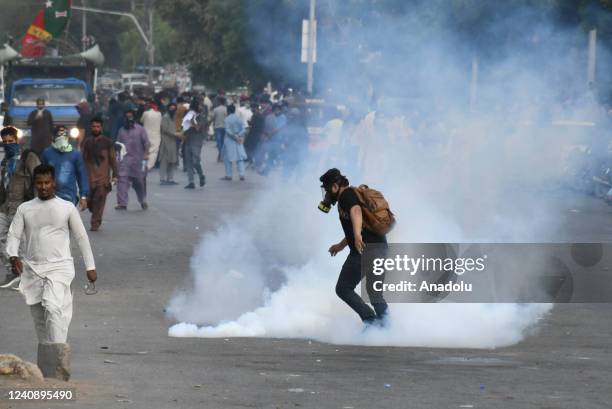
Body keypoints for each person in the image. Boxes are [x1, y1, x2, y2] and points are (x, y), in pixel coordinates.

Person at [7, 164, 96, 380]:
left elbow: (82, 237)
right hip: (32, 270)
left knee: (53, 309)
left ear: (54, 182)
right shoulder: (25, 209)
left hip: (60, 268)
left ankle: (58, 365)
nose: (44, 187)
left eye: (47, 182)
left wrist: (90, 266)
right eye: (40, 183)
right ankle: (49, 368)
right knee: (39, 317)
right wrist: (13, 256)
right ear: (35, 184)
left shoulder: (66, 207)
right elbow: (14, 235)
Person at [320, 168, 388, 326]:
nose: (328, 193)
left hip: (364, 250)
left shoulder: (346, 195)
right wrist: (341, 245)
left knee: (343, 288)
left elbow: (356, 212)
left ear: (336, 186)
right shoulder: (352, 194)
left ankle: (370, 320)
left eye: (328, 188)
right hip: (380, 247)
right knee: (374, 292)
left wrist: (357, 236)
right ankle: (387, 326)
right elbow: (357, 225)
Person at [0, 126, 40, 289]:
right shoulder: (4, 161)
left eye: (11, 141)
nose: (8, 144)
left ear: (17, 140)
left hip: (23, 207)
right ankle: (13, 270)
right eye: (5, 142)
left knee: (22, 245)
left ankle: (25, 277)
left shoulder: (28, 157)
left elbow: (40, 179)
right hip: (4, 207)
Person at [81, 117, 118, 231]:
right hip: (89, 177)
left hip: (103, 178)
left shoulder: (107, 142)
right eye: (93, 127)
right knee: (91, 202)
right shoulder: (87, 142)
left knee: (100, 199)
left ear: (101, 128)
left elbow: (112, 159)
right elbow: (82, 159)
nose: (95, 129)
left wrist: (115, 175)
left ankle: (95, 222)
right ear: (91, 128)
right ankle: (94, 213)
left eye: (98, 126)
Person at [41, 126, 89, 209]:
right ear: (53, 137)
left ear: (68, 138)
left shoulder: (75, 154)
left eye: (64, 135)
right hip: (50, 195)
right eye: (59, 135)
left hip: (69, 196)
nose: (62, 138)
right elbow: (41, 174)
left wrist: (83, 196)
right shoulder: (47, 153)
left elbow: (82, 176)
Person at [115, 110, 150, 210]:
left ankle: (142, 200)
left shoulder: (140, 130)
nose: (129, 119)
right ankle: (122, 203)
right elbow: (118, 145)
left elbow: (146, 143)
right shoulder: (121, 130)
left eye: (130, 117)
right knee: (122, 181)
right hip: (124, 161)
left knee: (139, 182)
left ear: (134, 118)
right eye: (127, 117)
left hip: (137, 162)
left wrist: (146, 154)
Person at [181, 100, 206, 189]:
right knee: (188, 162)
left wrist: (192, 121)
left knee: (196, 161)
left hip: (196, 140)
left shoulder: (201, 116)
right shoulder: (189, 114)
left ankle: (201, 175)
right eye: (200, 105)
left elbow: (198, 128)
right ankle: (191, 182)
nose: (201, 107)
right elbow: (183, 126)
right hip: (187, 139)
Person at [221, 105, 248, 181]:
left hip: (229, 140)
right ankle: (242, 175)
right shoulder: (239, 118)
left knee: (227, 158)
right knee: (240, 158)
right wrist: (238, 136)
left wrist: (234, 136)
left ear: (228, 111)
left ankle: (229, 175)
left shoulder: (226, 119)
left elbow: (227, 130)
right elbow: (244, 129)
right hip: (239, 139)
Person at [159, 103, 180, 185]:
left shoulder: (174, 117)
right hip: (166, 142)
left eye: (174, 108)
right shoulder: (165, 117)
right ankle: (162, 179)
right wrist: (176, 134)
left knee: (172, 161)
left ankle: (170, 179)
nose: (173, 110)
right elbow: (165, 129)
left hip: (173, 142)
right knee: (164, 161)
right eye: (171, 108)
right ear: (168, 108)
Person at [142, 102, 162, 170]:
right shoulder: (159, 114)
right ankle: (149, 165)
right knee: (154, 151)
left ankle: (143, 164)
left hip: (146, 133)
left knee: (145, 149)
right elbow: (161, 123)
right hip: (156, 134)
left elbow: (141, 120)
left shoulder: (145, 113)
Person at [212, 97, 227, 162]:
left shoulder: (216, 109)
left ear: (219, 102)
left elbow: (213, 118)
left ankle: (221, 155)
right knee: (223, 142)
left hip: (217, 127)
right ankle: (221, 156)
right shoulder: (227, 109)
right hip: (225, 127)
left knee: (219, 143)